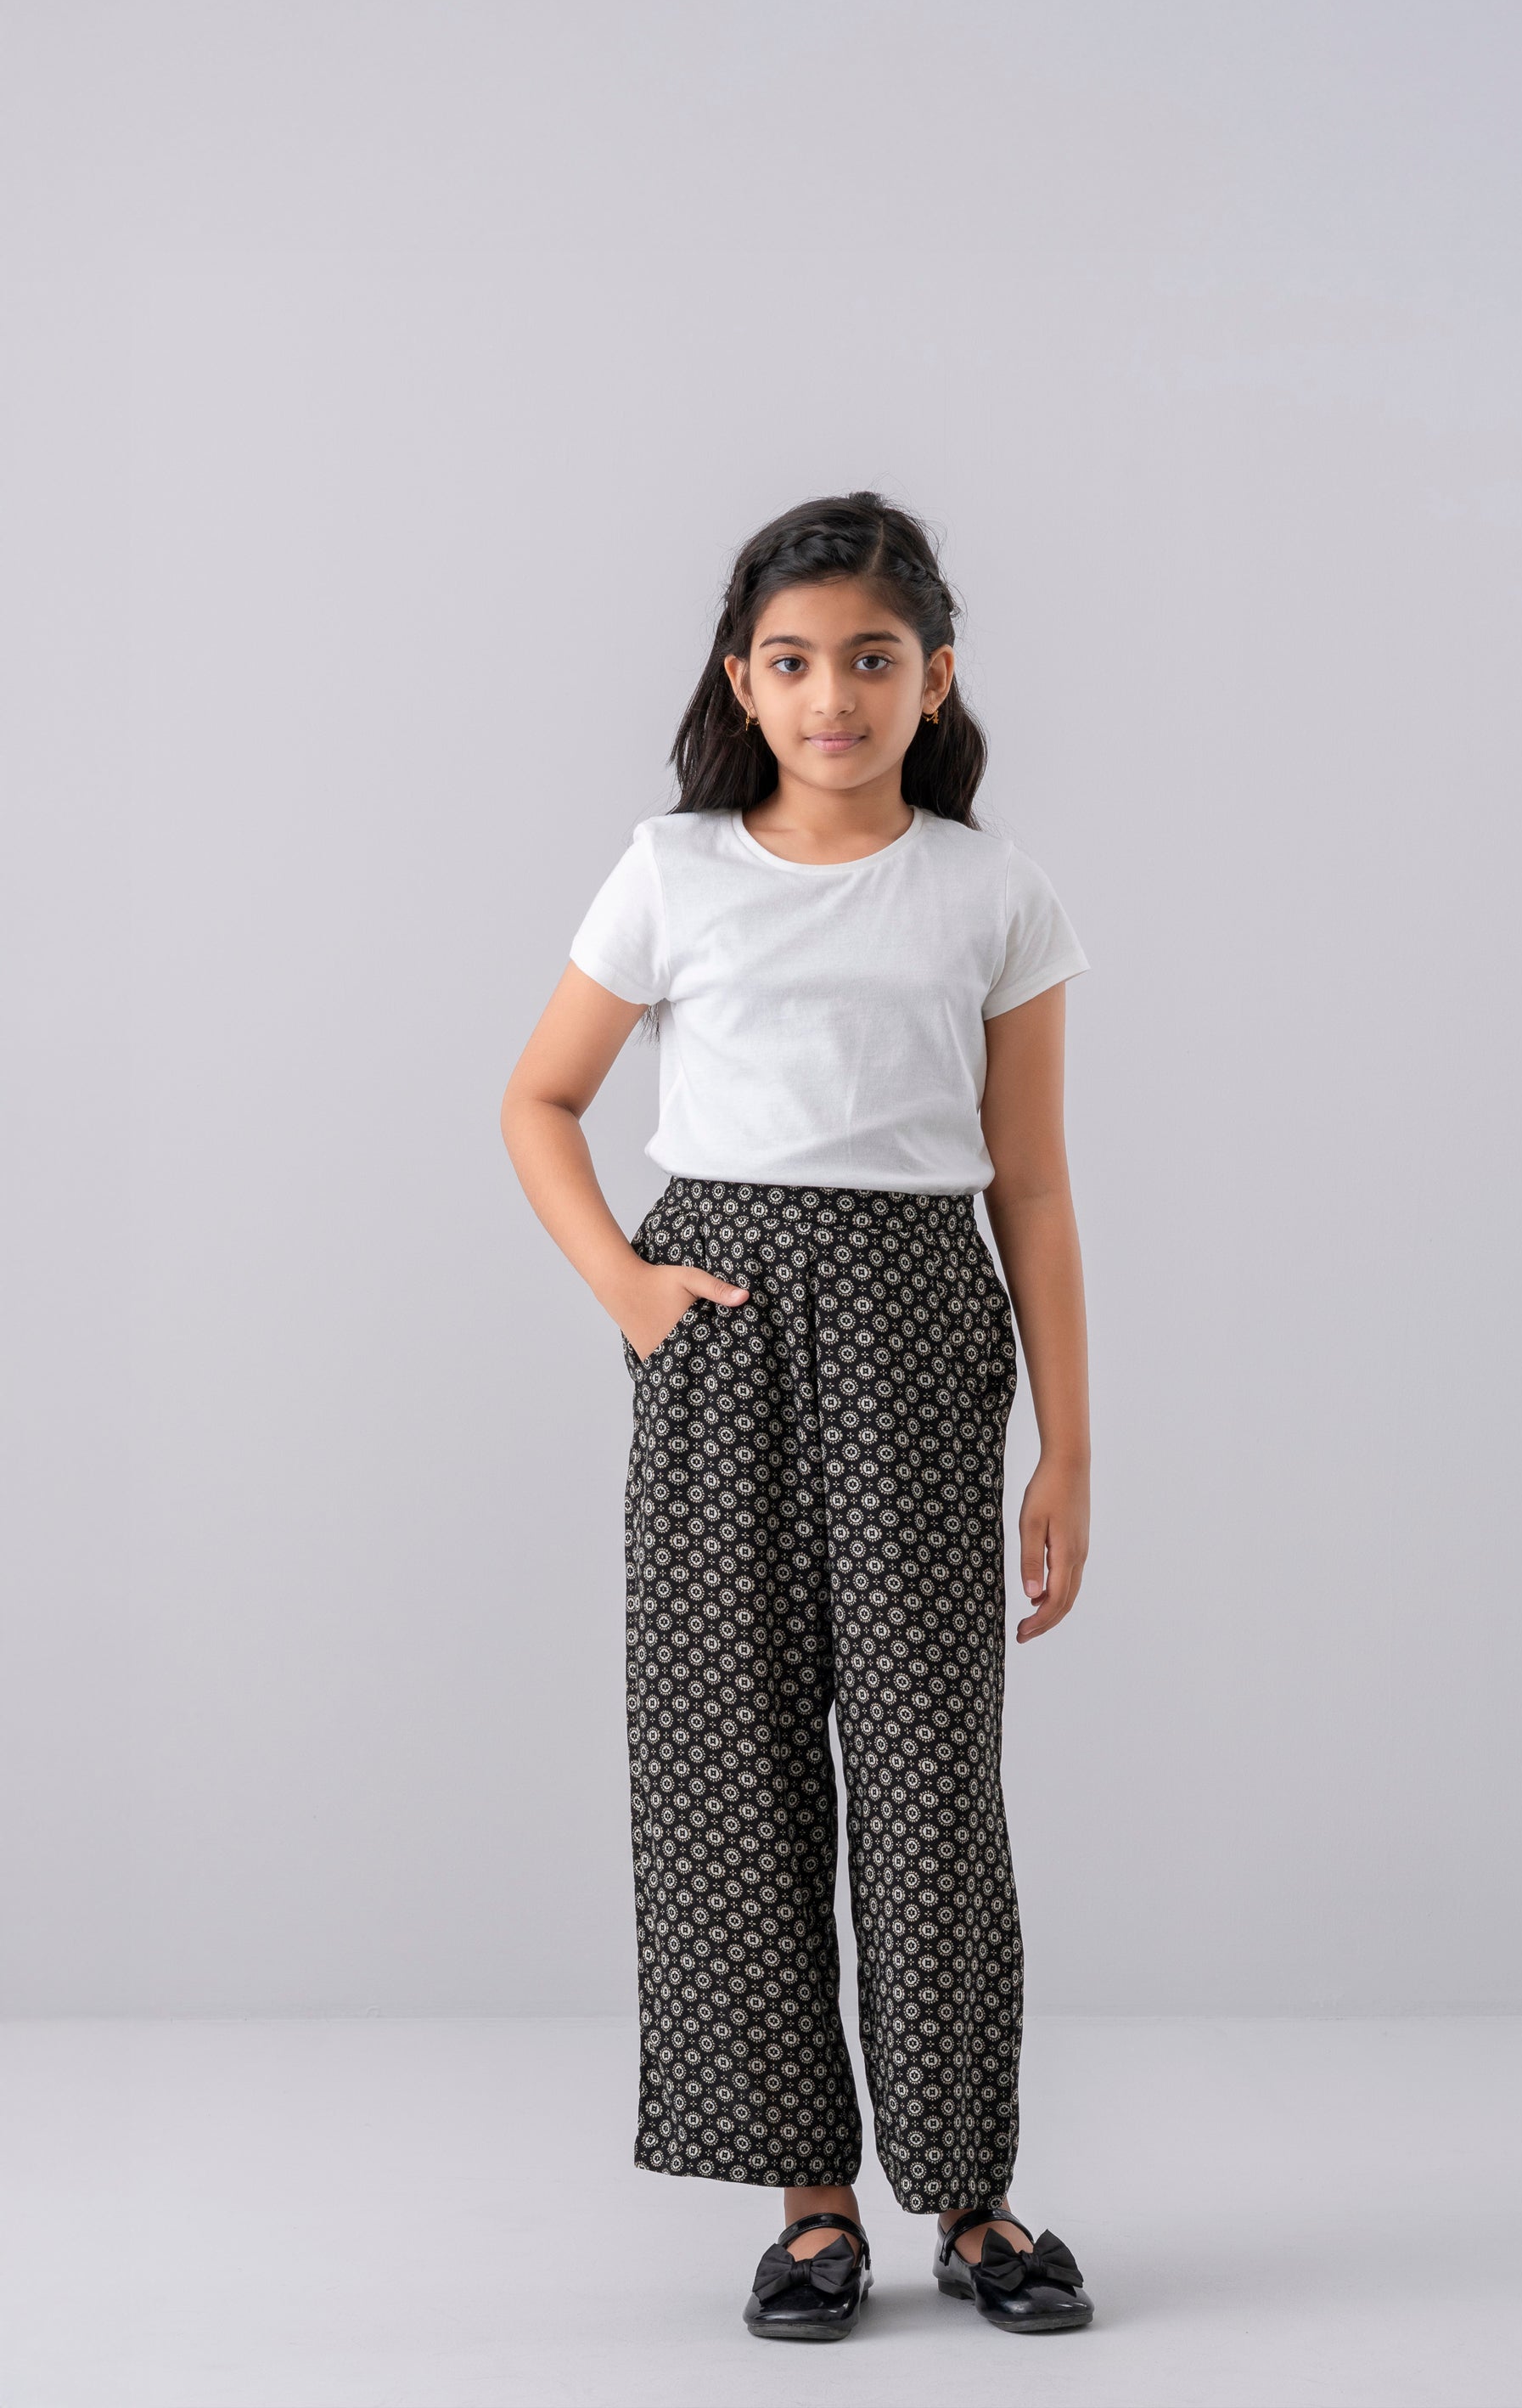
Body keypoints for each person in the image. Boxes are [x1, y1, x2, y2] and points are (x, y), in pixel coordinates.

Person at [500, 491, 1096, 2341]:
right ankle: (808, 2204)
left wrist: (1068, 1448)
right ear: (739, 681)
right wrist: (628, 1289)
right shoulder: (671, 869)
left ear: (935, 678)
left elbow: (1032, 1184)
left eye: (869, 658)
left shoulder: (991, 893)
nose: (831, 694)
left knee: (930, 1776)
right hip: (722, 1334)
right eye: (791, 660)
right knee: (726, 1763)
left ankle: (971, 2196)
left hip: (920, 1328)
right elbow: (539, 1100)